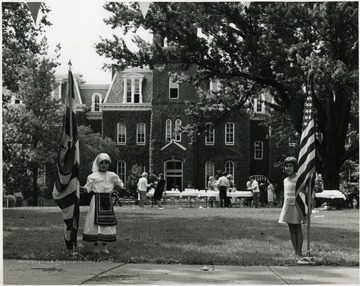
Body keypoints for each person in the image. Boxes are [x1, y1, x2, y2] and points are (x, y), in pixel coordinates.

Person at [81, 153, 124, 253]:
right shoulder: (93, 176)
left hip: (107, 201)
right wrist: (77, 187)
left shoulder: (112, 175)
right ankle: (95, 246)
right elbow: (87, 189)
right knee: (94, 224)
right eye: (101, 163)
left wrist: (115, 190)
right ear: (98, 164)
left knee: (107, 224)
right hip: (96, 201)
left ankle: (104, 246)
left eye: (106, 163)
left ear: (109, 164)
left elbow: (121, 185)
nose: (104, 165)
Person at [278, 157, 304, 258]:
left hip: (296, 206)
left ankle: (299, 251)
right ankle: (295, 250)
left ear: (295, 167)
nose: (288, 168)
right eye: (286, 166)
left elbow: (304, 191)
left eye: (290, 166)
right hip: (288, 205)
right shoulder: (285, 180)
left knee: (297, 228)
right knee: (291, 229)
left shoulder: (298, 178)